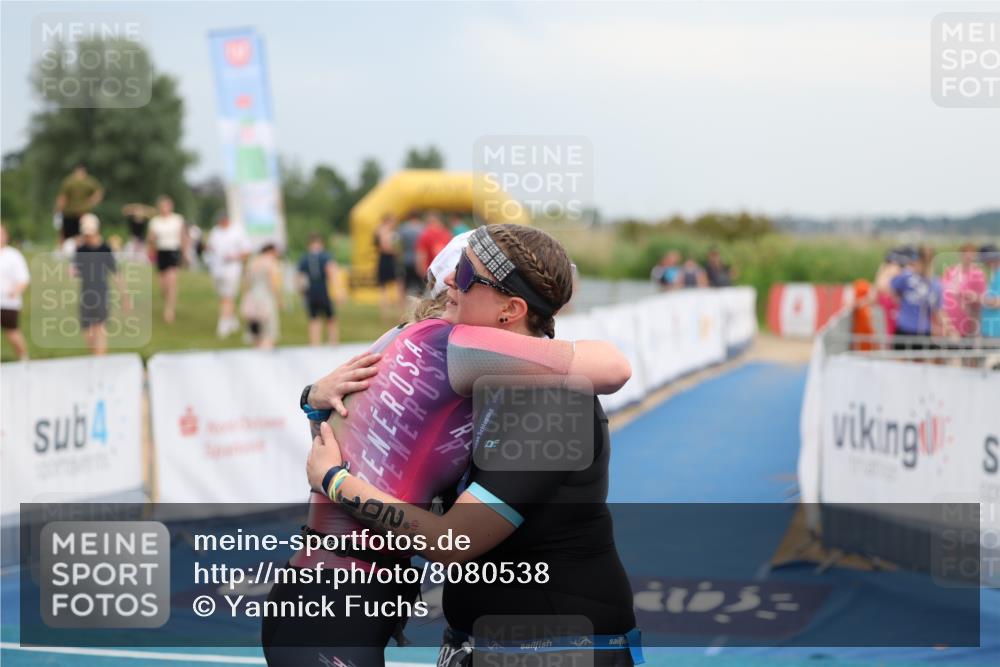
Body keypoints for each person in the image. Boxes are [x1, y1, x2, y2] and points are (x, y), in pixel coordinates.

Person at [279, 226, 637, 667]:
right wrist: (315, 397)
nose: (449, 280)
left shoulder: (554, 403)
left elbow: (454, 538)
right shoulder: (467, 382)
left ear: (511, 309)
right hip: (482, 643)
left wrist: (336, 482)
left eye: (466, 274)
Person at [72, 214, 127, 356]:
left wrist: (124, 296)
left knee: (100, 329)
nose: (88, 236)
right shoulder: (80, 249)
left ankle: (100, 363)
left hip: (101, 293)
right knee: (88, 333)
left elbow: (116, 273)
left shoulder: (105, 249)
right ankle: (95, 359)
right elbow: (74, 271)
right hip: (86, 293)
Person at [890, 245, 944, 354]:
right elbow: (892, 290)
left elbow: (938, 311)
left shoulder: (935, 284)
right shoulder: (907, 277)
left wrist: (946, 327)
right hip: (905, 329)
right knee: (900, 364)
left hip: (923, 331)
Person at [205, 214, 250, 338]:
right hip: (217, 269)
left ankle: (223, 323)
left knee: (228, 296)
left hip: (232, 270)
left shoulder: (238, 231)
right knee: (223, 296)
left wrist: (234, 257)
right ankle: (231, 318)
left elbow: (246, 251)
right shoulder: (215, 232)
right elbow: (210, 247)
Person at [147, 195, 188, 324]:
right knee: (163, 285)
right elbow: (150, 238)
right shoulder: (155, 221)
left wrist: (184, 253)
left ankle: (169, 310)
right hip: (161, 251)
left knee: (171, 280)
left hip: (173, 251)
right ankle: (167, 300)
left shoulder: (177, 219)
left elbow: (183, 237)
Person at [297, 233, 340, 346]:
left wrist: (301, 291)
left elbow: (300, 277)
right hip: (322, 288)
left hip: (311, 289)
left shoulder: (305, 258)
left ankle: (315, 343)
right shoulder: (325, 256)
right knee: (330, 317)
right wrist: (337, 289)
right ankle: (333, 341)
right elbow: (332, 271)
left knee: (314, 318)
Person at [54, 164, 103, 256]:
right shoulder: (88, 181)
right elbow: (99, 193)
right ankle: (81, 251)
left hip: (72, 212)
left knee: (66, 233)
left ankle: (63, 252)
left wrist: (58, 210)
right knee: (82, 234)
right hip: (79, 212)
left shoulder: (69, 181)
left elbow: (62, 198)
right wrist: (91, 202)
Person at [941, 242, 986, 340]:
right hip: (949, 319)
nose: (968, 257)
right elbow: (942, 290)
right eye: (966, 253)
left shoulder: (977, 274)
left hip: (967, 319)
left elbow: (982, 298)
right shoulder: (951, 271)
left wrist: (973, 297)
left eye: (971, 254)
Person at [241, 244, 281, 349]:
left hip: (252, 297)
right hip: (266, 297)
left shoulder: (253, 262)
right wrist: (278, 299)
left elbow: (247, 283)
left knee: (256, 330)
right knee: (268, 330)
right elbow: (273, 283)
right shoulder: (271, 263)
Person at [0, 223, 30, 360]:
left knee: (12, 332)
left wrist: (14, 292)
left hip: (8, 302)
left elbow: (23, 278)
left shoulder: (13, 255)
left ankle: (24, 359)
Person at [874, 247, 908, 337]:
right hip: (890, 307)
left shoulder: (889, 269)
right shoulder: (894, 269)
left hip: (892, 308)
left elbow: (879, 286)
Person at [374, 214, 399, 321]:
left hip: (383, 259)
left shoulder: (379, 230)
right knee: (394, 286)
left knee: (383, 289)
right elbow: (385, 247)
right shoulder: (384, 231)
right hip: (387, 259)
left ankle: (385, 314)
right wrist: (395, 251)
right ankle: (389, 314)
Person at [415, 211, 452, 279]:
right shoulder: (447, 233)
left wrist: (422, 272)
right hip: (446, 272)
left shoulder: (425, 234)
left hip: (431, 273)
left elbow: (421, 255)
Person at [397, 212, 424, 296]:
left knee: (405, 283)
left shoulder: (403, 228)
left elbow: (397, 243)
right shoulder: (422, 227)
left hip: (406, 258)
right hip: (419, 259)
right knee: (420, 285)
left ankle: (402, 305)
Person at [979, 244, 1000, 341]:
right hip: (989, 331)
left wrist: (978, 298)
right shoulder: (994, 275)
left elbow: (997, 303)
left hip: (996, 333)